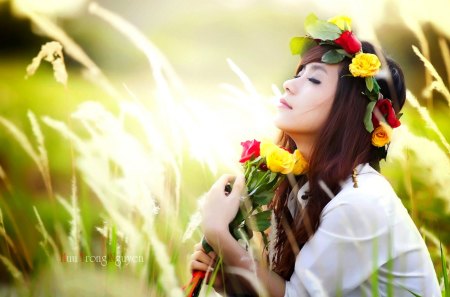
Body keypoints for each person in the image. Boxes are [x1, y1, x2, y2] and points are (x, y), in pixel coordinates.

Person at [189, 14, 441, 297]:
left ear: (351, 109)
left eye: (315, 80)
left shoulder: (360, 201)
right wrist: (230, 283)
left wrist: (219, 233)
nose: (289, 84)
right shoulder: (309, 187)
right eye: (299, 74)